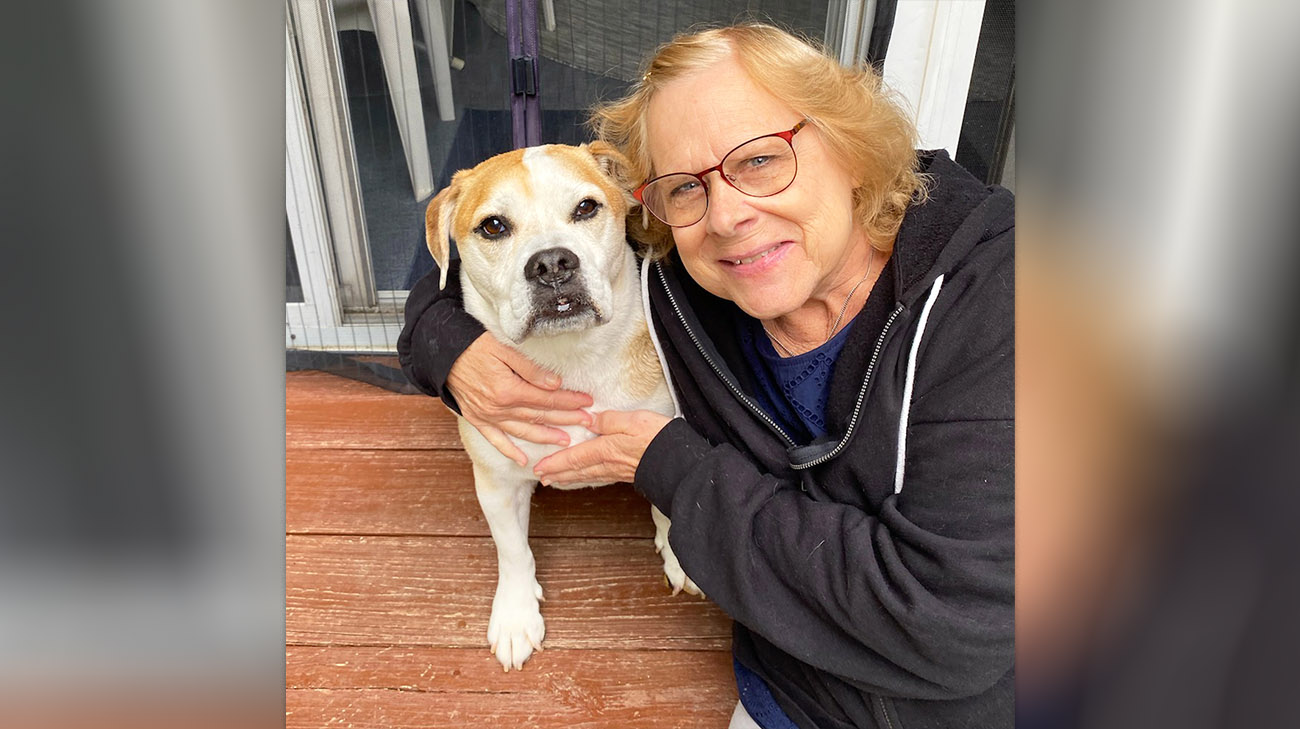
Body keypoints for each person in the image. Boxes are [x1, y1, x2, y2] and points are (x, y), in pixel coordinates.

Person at [399, 23, 1013, 729]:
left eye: (760, 161)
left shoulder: (998, 302)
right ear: (651, 207)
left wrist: (673, 473)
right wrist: (449, 348)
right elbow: (463, 273)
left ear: (849, 148)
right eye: (687, 185)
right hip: (781, 679)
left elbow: (948, 628)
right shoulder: (682, 273)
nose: (727, 215)